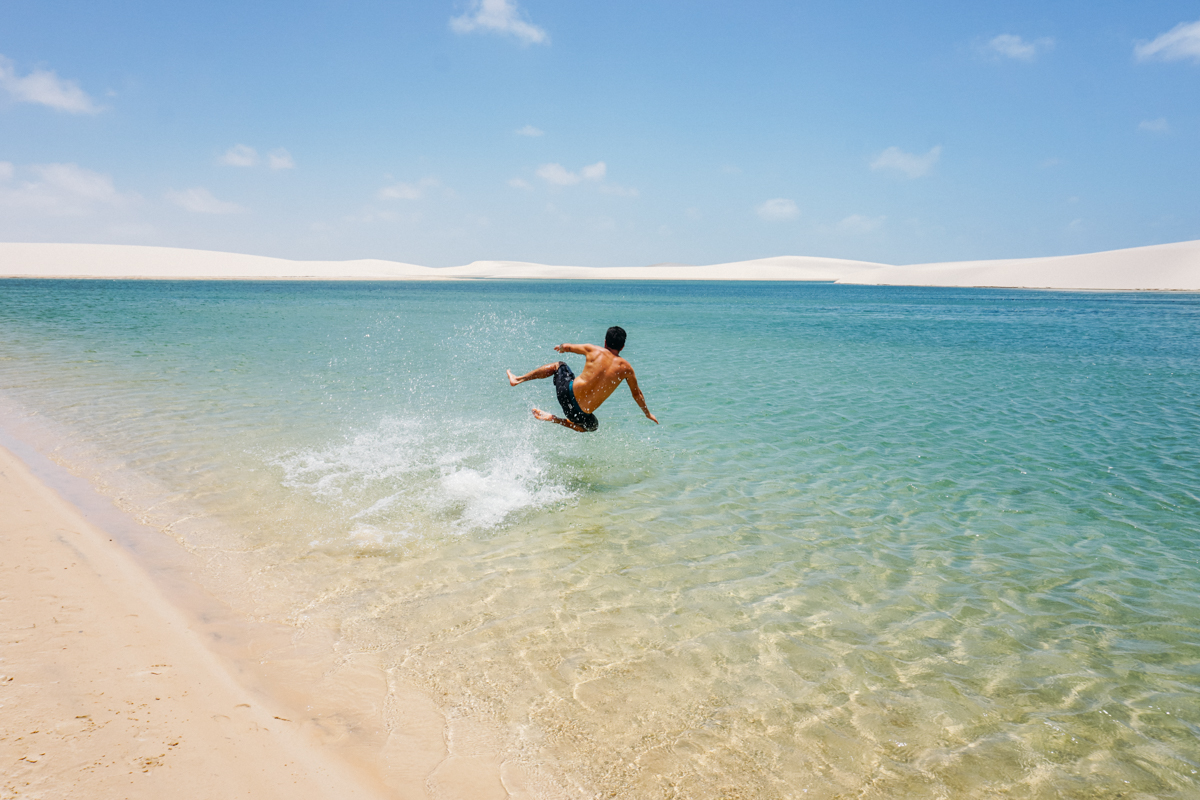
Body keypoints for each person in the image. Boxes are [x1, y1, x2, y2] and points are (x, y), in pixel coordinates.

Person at [506, 326, 658, 433]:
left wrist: (561, 347)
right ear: (623, 347)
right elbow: (637, 394)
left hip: (565, 393)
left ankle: (518, 379)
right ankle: (553, 419)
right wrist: (647, 414)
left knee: (559, 365)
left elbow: (567, 346)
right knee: (591, 427)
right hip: (577, 414)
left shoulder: (593, 349)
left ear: (605, 342)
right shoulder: (627, 369)